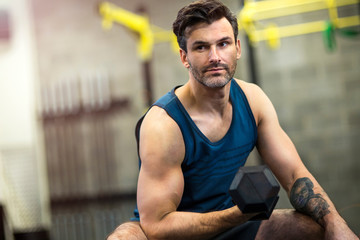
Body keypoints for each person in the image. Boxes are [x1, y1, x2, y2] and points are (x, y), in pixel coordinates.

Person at [107, 0, 359, 239]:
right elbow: (157, 225)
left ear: (237, 48)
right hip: (169, 233)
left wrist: (338, 226)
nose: (215, 56)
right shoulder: (164, 124)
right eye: (201, 47)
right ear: (184, 57)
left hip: (230, 228)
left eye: (223, 44)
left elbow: (294, 175)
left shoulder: (252, 100)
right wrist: (238, 215)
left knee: (312, 229)